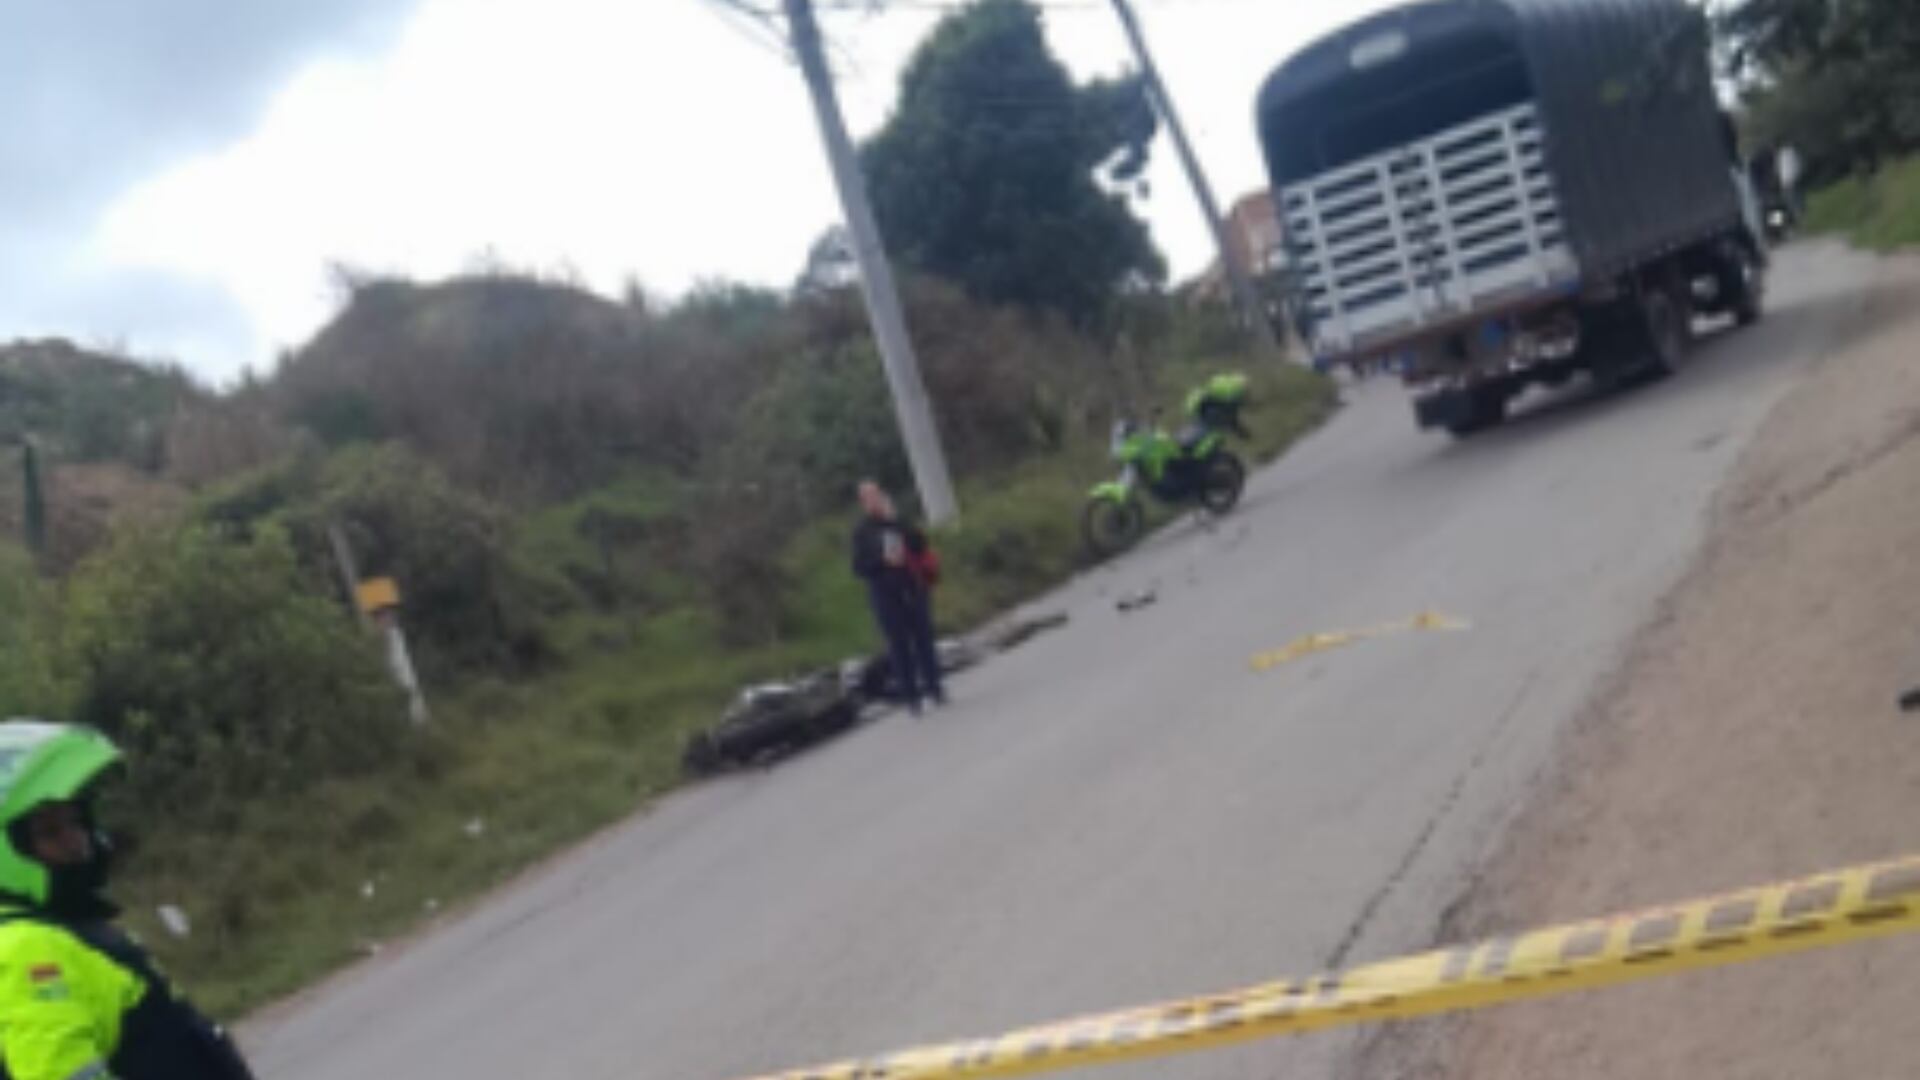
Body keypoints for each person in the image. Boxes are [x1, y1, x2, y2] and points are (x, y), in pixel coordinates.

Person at [0, 719, 258, 1080]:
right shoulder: (25, 947)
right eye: (51, 832)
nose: (75, 841)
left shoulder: (62, 929)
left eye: (75, 822)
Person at [850, 481, 945, 713]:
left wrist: (896, 521)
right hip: (885, 593)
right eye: (869, 497)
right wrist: (882, 561)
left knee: (923, 638)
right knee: (899, 645)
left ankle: (934, 687)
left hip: (912, 586)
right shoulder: (862, 531)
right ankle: (911, 696)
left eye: (877, 495)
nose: (875, 500)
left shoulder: (898, 521)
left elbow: (920, 544)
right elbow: (859, 567)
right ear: (863, 503)